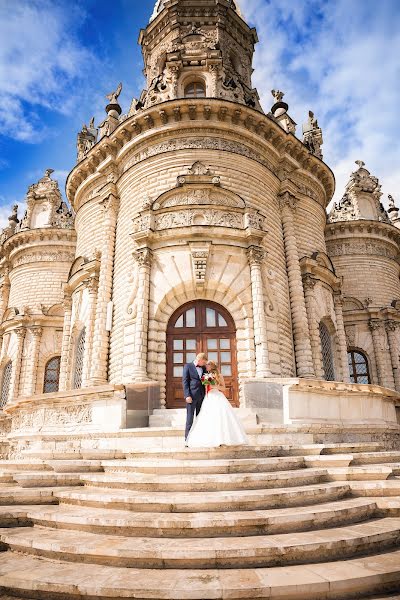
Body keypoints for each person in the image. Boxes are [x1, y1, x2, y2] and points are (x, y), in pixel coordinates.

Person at [186, 360, 249, 448]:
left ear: (212, 366)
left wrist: (214, 386)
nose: (206, 366)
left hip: (217, 396)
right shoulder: (206, 375)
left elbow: (223, 388)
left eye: (208, 365)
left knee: (220, 416)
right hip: (208, 398)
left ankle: (223, 439)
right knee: (208, 417)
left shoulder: (219, 375)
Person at [182, 352, 208, 441]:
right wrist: (187, 395)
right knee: (190, 418)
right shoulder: (188, 366)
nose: (204, 364)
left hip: (201, 396)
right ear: (200, 360)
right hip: (191, 396)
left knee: (200, 417)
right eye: (203, 362)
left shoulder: (203, 368)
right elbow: (185, 382)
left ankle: (199, 437)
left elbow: (206, 381)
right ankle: (187, 439)